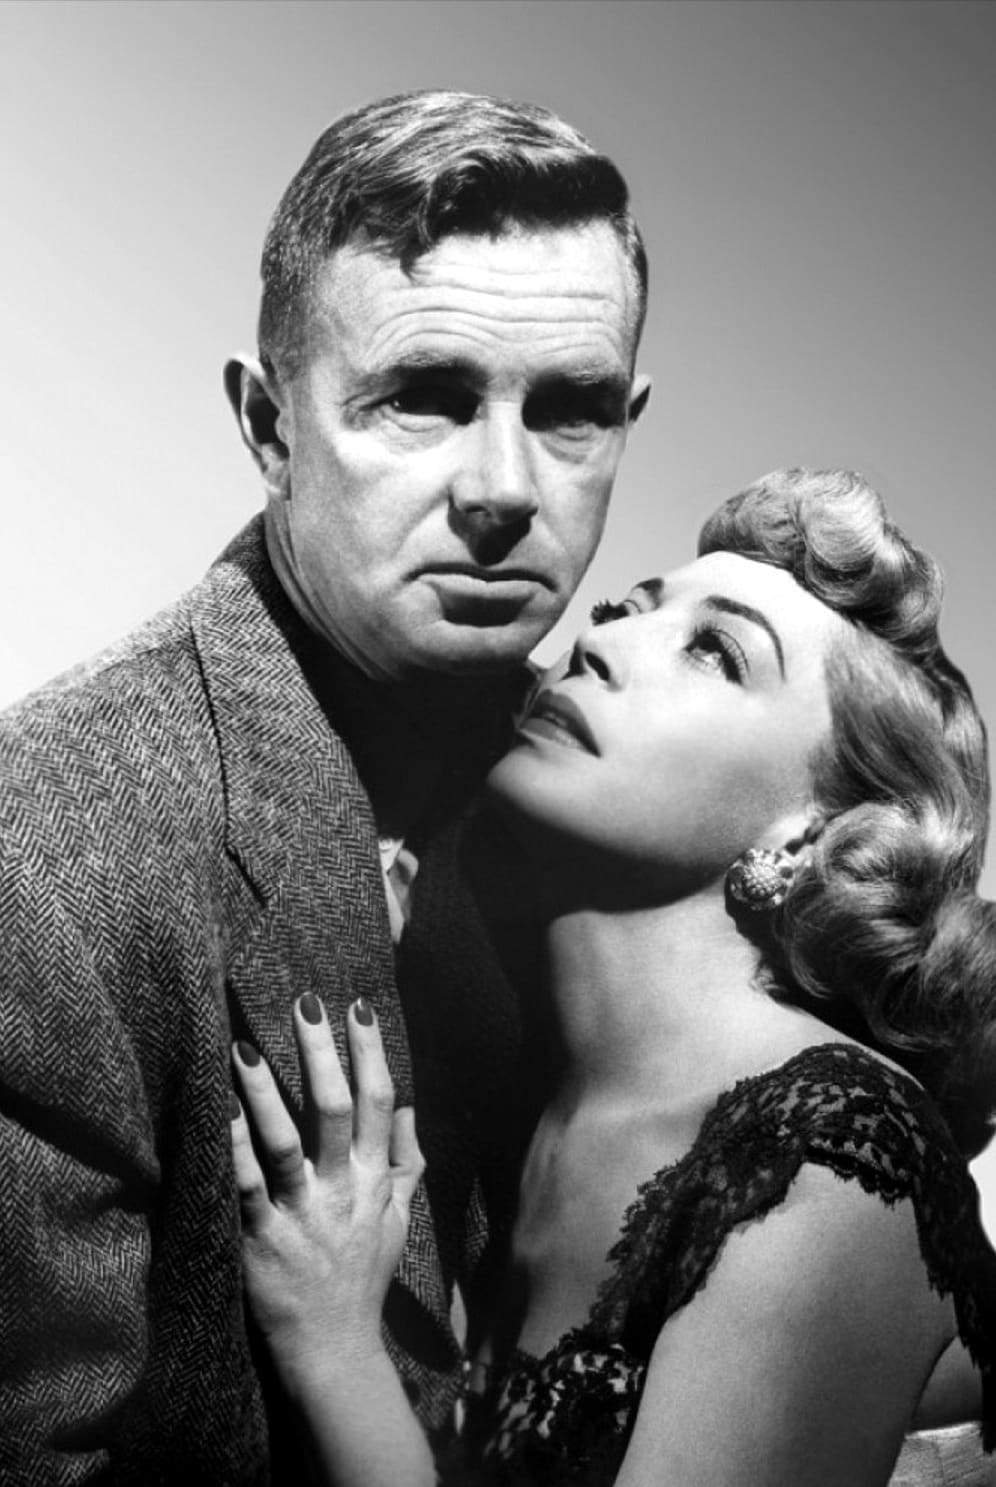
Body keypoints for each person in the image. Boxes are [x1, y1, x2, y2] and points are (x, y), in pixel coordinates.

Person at [0, 90, 650, 1483]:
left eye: (572, 410)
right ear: (267, 422)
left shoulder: (644, 817)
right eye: (424, 397)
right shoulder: (44, 852)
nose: (504, 487)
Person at [232, 468, 996, 1486]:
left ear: (812, 833)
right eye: (625, 609)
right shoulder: (528, 1080)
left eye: (714, 650)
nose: (600, 642)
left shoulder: (836, 1158)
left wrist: (334, 1351)